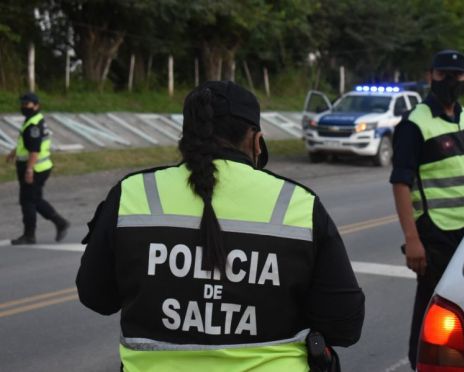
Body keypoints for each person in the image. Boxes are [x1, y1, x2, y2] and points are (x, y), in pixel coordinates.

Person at [76, 81, 365, 372]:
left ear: (188, 136)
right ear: (256, 140)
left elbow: (96, 296)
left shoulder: (133, 193)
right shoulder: (297, 204)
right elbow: (344, 325)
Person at [390, 50, 464, 369]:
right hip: (437, 234)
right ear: (430, 75)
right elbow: (400, 183)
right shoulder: (414, 125)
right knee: (432, 308)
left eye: (455, 75)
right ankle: (420, 362)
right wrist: (412, 239)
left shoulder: (463, 115)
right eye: (442, 74)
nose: (449, 81)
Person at [6, 92, 69, 245]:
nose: (23, 106)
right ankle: (60, 222)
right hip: (38, 167)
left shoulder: (34, 124)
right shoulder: (33, 120)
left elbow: (34, 150)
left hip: (35, 168)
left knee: (27, 200)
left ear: (36, 105)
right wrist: (14, 152)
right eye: (23, 103)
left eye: (27, 104)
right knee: (34, 199)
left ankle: (30, 235)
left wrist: (29, 170)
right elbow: (27, 143)